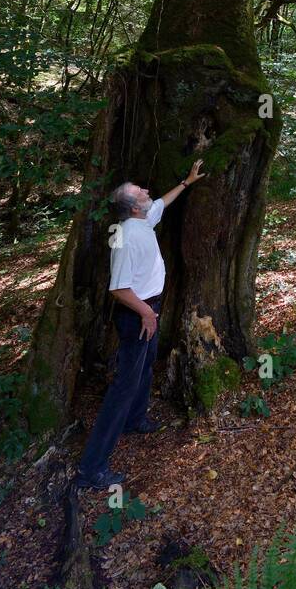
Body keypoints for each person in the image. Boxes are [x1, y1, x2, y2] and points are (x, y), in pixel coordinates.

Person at [75, 160, 205, 489]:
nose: (147, 191)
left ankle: (136, 419)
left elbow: (162, 202)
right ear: (133, 206)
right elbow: (118, 288)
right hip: (137, 317)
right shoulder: (123, 236)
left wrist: (187, 181)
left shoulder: (142, 220)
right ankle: (92, 468)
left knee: (146, 367)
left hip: (151, 311)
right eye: (140, 191)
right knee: (123, 387)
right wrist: (146, 313)